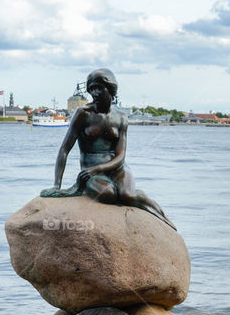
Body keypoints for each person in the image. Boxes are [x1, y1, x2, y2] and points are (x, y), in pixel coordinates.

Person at [41, 68, 174, 228]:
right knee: (108, 194)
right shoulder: (83, 114)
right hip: (91, 171)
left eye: (99, 88)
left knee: (128, 196)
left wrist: (99, 168)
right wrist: (57, 184)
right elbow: (64, 149)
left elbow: (121, 155)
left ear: (111, 89)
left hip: (117, 168)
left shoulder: (121, 118)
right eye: (91, 89)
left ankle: (161, 217)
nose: (95, 93)